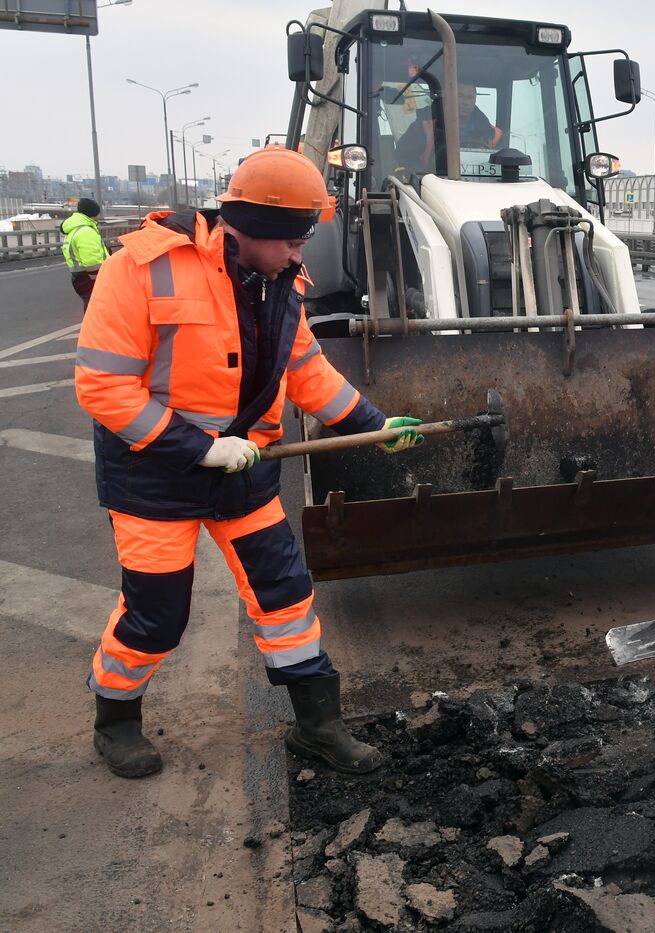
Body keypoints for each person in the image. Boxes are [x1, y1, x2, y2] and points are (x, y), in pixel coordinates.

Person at [74, 146, 425, 779]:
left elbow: (306, 370)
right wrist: (199, 447)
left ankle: (318, 728)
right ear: (251, 230)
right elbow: (104, 388)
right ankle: (116, 720)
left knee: (286, 597)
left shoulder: (282, 283)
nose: (300, 253)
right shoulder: (142, 267)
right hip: (153, 479)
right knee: (156, 615)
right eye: (292, 240)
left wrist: (373, 428)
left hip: (246, 478)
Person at [395, 80, 503, 174]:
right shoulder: (425, 126)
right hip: (432, 186)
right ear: (449, 98)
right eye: (460, 96)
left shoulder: (492, 134)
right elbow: (404, 156)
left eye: (470, 97)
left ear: (475, 100)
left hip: (478, 187)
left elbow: (501, 167)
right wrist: (423, 175)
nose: (465, 102)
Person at [61, 197, 110, 310]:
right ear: (93, 213)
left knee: (91, 306)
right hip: (89, 278)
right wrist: (101, 280)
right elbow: (92, 262)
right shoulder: (86, 231)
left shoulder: (74, 229)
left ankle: (92, 327)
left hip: (79, 277)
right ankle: (95, 328)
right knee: (97, 308)